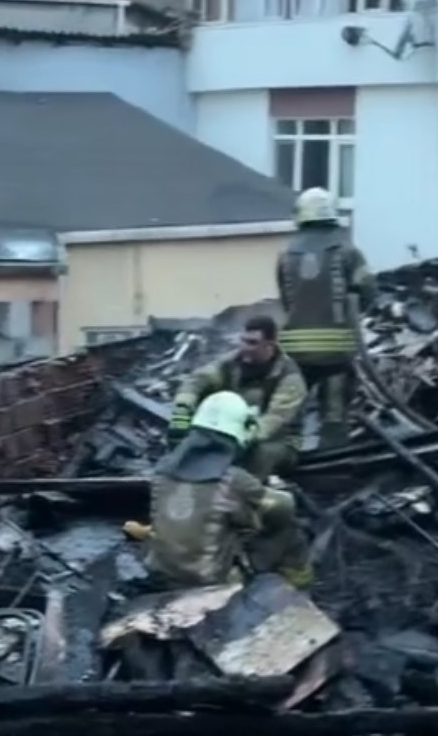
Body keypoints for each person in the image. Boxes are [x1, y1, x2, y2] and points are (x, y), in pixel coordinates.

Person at [144, 390, 312, 589]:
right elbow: (283, 507)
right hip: (207, 579)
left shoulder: (162, 471)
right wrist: (274, 496)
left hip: (161, 571)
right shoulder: (234, 480)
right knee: (290, 531)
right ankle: (299, 584)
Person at [276, 186, 376, 448]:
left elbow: (286, 301)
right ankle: (332, 464)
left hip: (295, 352)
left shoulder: (285, 256)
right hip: (336, 352)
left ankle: (288, 459)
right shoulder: (347, 252)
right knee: (333, 415)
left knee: (291, 413)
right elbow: (369, 292)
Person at [168, 314, 305, 481]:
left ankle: (249, 492)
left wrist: (242, 435)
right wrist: (183, 408)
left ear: (270, 344)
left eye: (252, 343)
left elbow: (275, 420)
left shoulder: (289, 377)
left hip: (278, 440)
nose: (245, 347)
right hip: (233, 429)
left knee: (262, 453)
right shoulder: (232, 361)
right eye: (243, 340)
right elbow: (199, 379)